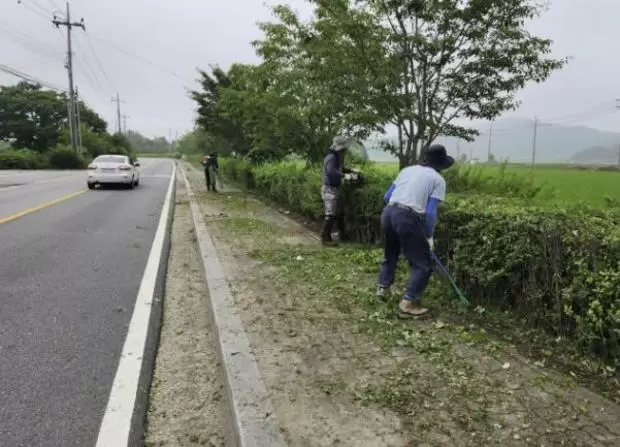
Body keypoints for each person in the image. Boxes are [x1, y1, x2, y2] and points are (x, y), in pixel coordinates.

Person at [377, 144, 455, 317]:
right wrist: (429, 236)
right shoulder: (438, 180)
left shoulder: (407, 170)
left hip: (388, 213)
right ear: (441, 165)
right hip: (407, 218)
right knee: (423, 264)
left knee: (391, 253)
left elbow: (387, 196)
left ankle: (383, 289)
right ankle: (407, 304)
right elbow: (430, 213)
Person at [321, 136, 355, 245]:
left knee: (339, 213)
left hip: (335, 188)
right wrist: (345, 176)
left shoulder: (336, 157)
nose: (344, 151)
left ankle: (342, 235)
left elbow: (339, 169)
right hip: (329, 188)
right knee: (330, 214)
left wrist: (351, 170)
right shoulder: (331, 157)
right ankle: (325, 238)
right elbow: (331, 171)